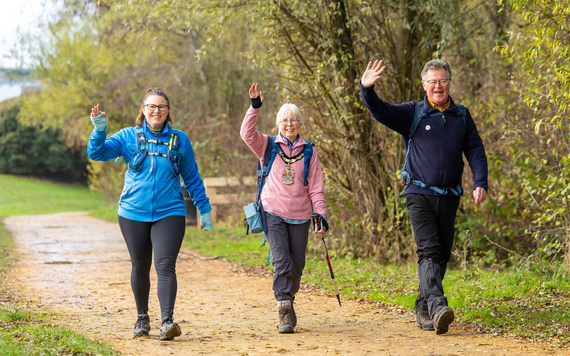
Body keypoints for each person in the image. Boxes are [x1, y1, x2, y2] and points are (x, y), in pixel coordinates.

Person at [360, 59, 488, 335]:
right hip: (418, 192)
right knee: (428, 251)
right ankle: (438, 305)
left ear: (449, 83)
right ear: (424, 85)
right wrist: (366, 89)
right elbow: (380, 111)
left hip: (450, 195)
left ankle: (422, 308)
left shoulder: (462, 116)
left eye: (442, 80)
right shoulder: (412, 113)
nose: (437, 86)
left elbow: (475, 150)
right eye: (432, 81)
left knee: (441, 254)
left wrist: (481, 182)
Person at [87, 88, 213, 340]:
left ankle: (167, 322)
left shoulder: (180, 140)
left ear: (168, 111)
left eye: (162, 106)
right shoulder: (127, 137)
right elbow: (96, 153)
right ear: (143, 110)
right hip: (133, 212)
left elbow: (191, 177)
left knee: (165, 265)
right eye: (152, 106)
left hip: (170, 211)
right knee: (140, 266)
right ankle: (142, 319)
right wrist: (99, 130)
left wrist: (204, 208)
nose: (157, 111)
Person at [240, 83, 327, 334]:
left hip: (300, 215)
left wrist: (320, 215)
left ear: (300, 123)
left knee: (297, 263)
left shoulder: (309, 151)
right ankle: (284, 307)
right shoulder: (267, 145)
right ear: (278, 123)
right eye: (284, 120)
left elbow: (316, 188)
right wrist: (255, 106)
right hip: (272, 210)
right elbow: (247, 133)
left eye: (293, 120)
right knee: (281, 260)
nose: (289, 124)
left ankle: (289, 296)